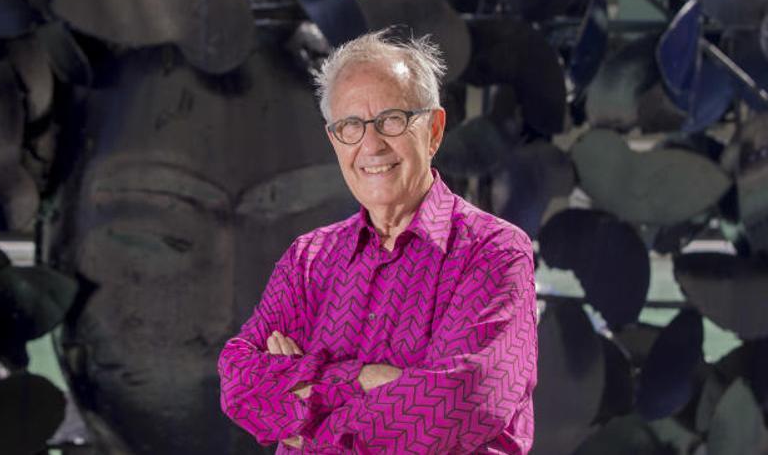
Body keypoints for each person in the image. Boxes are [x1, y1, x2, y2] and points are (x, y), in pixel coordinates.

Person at [218, 29, 538, 453]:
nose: (371, 144)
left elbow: (459, 407)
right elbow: (238, 381)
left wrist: (307, 399)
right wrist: (363, 379)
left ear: (434, 129)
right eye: (351, 125)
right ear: (334, 140)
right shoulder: (309, 260)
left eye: (392, 119)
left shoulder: (494, 253)